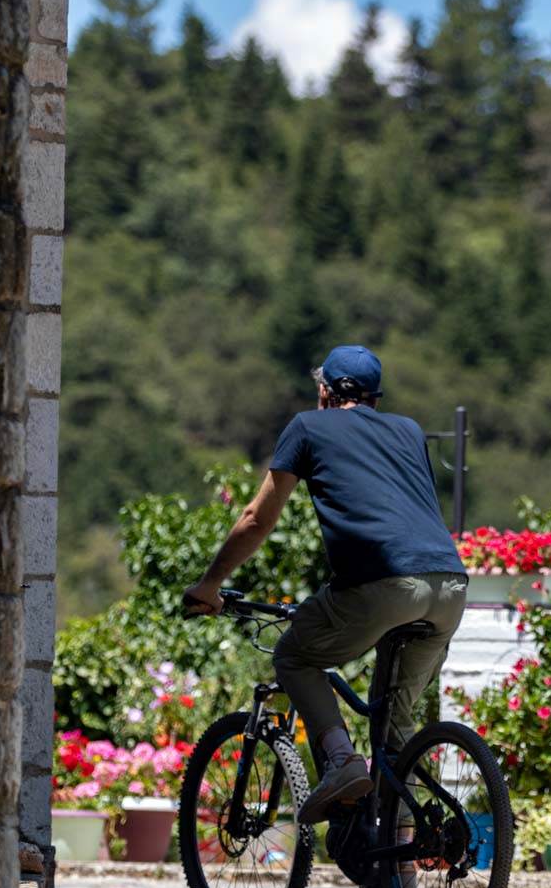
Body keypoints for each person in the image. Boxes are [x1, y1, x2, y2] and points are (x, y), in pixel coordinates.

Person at [183, 345, 468, 824]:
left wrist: (210, 584)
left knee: (294, 655)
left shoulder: (308, 426)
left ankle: (340, 760)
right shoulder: (410, 431)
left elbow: (257, 518)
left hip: (382, 583)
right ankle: (401, 864)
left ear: (324, 391)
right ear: (376, 398)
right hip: (450, 585)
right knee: (395, 723)